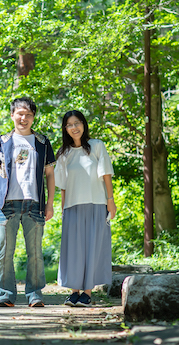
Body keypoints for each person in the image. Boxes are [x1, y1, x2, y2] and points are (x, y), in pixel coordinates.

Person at [0, 97, 56, 308]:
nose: (23, 118)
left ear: (33, 117)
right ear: (12, 115)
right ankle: (6, 295)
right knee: (4, 252)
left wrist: (50, 203)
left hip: (34, 204)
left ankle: (35, 295)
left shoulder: (42, 142)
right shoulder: (3, 141)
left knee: (35, 252)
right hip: (6, 205)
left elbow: (50, 175)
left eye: (28, 114)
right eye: (20, 114)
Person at [55, 110, 116, 307]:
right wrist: (63, 209)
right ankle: (74, 292)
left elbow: (106, 175)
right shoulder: (63, 153)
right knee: (74, 250)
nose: (74, 127)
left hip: (97, 204)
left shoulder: (97, 146)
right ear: (65, 129)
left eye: (78, 123)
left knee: (92, 247)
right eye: (70, 124)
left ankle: (87, 293)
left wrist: (111, 201)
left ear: (84, 124)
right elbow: (62, 185)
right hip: (72, 206)